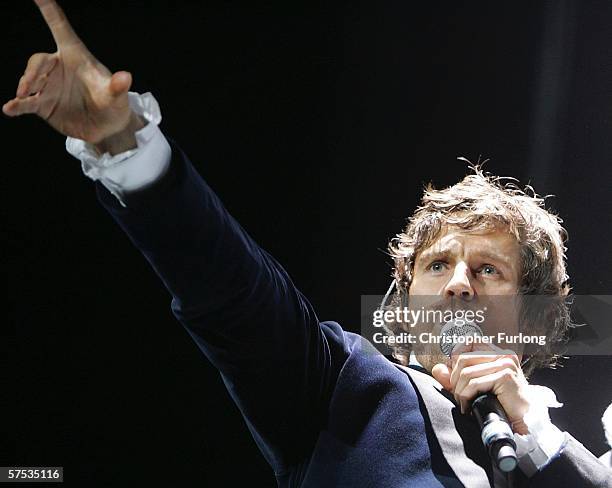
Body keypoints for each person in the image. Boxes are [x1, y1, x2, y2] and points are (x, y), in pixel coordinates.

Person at [5, 1, 612, 487]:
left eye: (487, 270)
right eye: (436, 265)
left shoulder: (581, 455)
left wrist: (536, 438)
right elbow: (231, 289)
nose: (458, 284)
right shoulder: (340, 389)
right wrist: (126, 148)